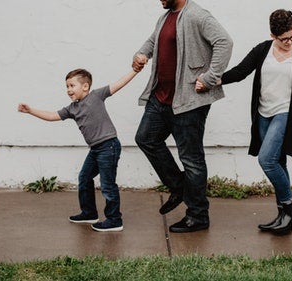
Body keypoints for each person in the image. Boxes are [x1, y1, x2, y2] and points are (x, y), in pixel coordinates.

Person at [197, 9, 292, 235]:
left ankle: (290, 207)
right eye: (284, 39)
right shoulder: (263, 50)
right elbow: (241, 71)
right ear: (273, 35)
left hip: (288, 113)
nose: (289, 42)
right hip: (263, 114)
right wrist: (212, 81)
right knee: (278, 162)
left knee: (267, 160)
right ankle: (284, 217)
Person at [131, 0, 233, 233]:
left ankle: (198, 215)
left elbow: (224, 42)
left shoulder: (197, 15)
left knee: (191, 159)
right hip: (161, 97)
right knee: (145, 138)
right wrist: (141, 53)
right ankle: (179, 187)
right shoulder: (166, 16)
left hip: (188, 101)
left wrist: (209, 78)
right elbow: (154, 39)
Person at [18, 68, 138, 232]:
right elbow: (52, 116)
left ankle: (114, 219)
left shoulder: (96, 96)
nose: (68, 90)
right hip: (95, 149)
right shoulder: (72, 109)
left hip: (108, 146)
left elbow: (119, 84)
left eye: (72, 86)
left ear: (85, 86)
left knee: (107, 185)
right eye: (67, 86)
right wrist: (30, 110)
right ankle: (89, 213)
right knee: (84, 177)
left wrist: (135, 71)